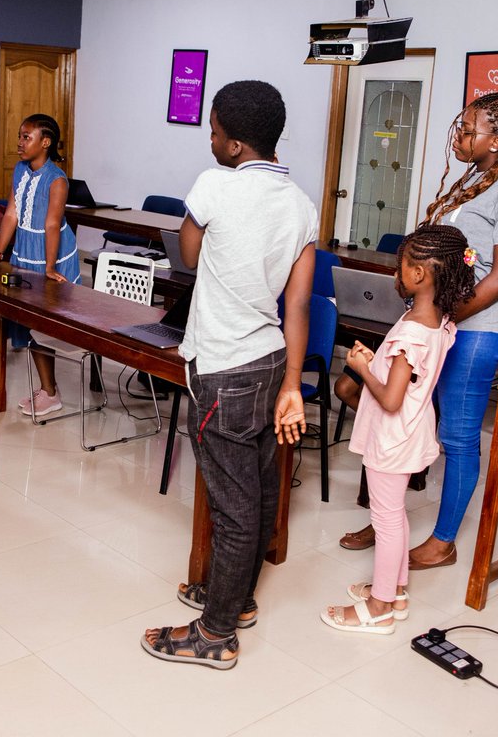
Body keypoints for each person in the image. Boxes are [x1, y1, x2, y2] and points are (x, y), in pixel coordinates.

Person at [141, 80, 316, 670]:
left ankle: (215, 634)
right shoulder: (300, 202)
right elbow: (297, 305)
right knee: (261, 491)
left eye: (214, 131)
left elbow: (187, 256)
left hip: (222, 368)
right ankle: (236, 599)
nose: (210, 139)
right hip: (270, 364)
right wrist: (293, 382)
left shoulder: (214, 185)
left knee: (233, 505)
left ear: (236, 143)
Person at [340, 92, 498, 567]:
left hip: (478, 331)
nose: (459, 135)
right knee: (391, 409)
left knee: (457, 436)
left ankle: (443, 541)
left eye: (469, 129)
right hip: (442, 323)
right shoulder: (477, 179)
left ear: (497, 140)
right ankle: (387, 518)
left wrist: (443, 316)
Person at [320, 225, 474, 634]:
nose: (396, 273)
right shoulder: (436, 320)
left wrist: (361, 368)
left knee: (386, 519)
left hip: (393, 435)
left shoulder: (411, 331)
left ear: (420, 274)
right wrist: (379, 364)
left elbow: (390, 399)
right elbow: (409, 381)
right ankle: (397, 589)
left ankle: (379, 607)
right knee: (395, 516)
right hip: (413, 428)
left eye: (402, 266)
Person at [0, 114, 79, 417]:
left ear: (45, 143)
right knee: (25, 321)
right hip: (24, 251)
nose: (19, 143)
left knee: (42, 324)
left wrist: (48, 267)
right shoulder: (19, 170)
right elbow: (10, 215)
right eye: (19, 136)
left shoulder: (56, 179)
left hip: (50, 253)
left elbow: (53, 224)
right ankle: (48, 390)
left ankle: (50, 392)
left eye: (26, 137)